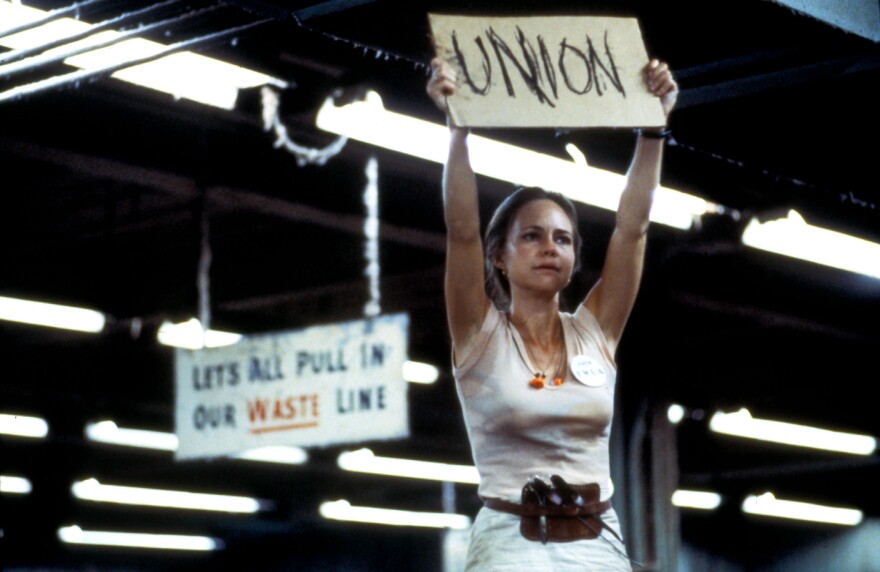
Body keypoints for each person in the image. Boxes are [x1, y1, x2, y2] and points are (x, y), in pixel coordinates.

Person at [427, 55, 678, 570]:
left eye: (563, 238)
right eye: (532, 236)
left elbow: (632, 228)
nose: (550, 247)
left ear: (573, 258)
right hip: (508, 542)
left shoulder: (596, 329)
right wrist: (457, 132)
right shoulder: (477, 332)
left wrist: (653, 131)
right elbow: (462, 231)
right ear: (500, 255)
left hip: (597, 539)